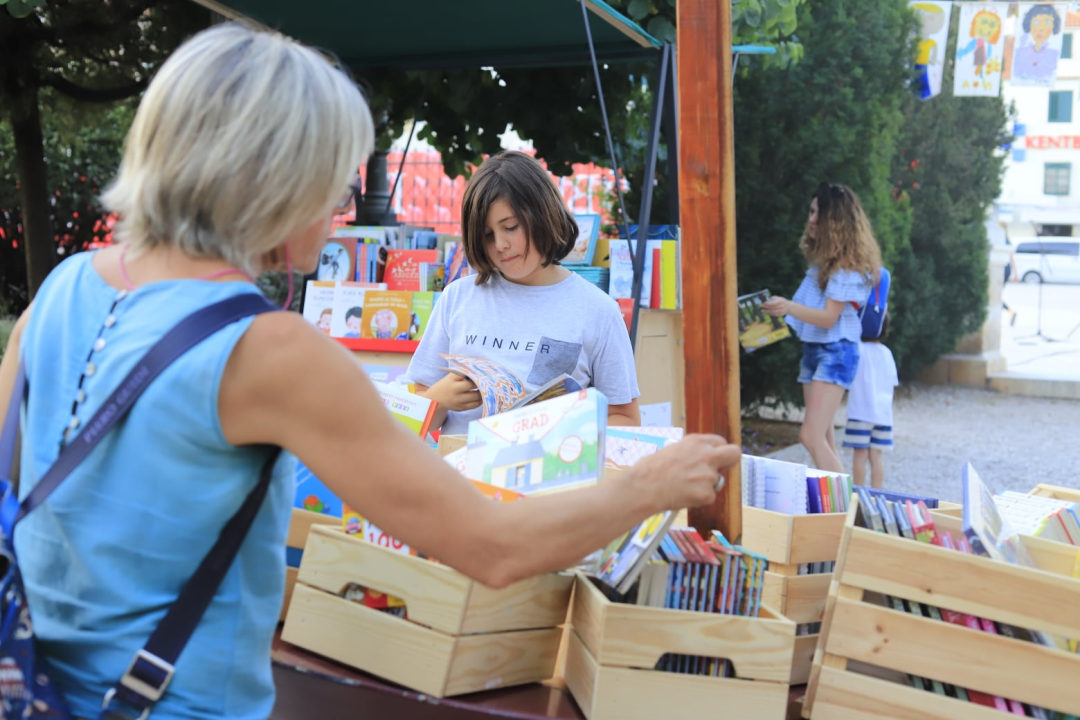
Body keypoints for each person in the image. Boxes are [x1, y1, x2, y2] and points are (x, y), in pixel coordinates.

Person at [0, 24, 741, 720]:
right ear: (273, 181)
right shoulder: (271, 352)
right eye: (336, 178)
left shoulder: (60, 291)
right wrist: (647, 485)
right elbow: (492, 546)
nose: (343, 206)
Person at [405, 150, 641, 434]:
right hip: (458, 474)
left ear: (544, 214)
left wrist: (565, 430)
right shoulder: (457, 298)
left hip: (551, 474)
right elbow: (412, 416)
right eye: (487, 235)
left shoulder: (598, 310)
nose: (501, 244)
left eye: (510, 227)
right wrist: (437, 401)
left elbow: (625, 419)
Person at [762, 183, 880, 473]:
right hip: (815, 350)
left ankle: (846, 507)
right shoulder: (822, 264)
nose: (811, 219)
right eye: (811, 211)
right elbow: (813, 316)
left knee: (810, 436)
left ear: (836, 222)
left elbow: (828, 318)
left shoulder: (846, 267)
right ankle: (833, 509)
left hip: (836, 352)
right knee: (823, 437)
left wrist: (787, 306)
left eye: (818, 214)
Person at [841, 314, 898, 488]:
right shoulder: (887, 353)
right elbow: (893, 382)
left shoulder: (857, 349)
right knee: (876, 456)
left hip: (860, 412)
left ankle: (858, 494)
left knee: (860, 455)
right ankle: (877, 495)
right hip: (883, 415)